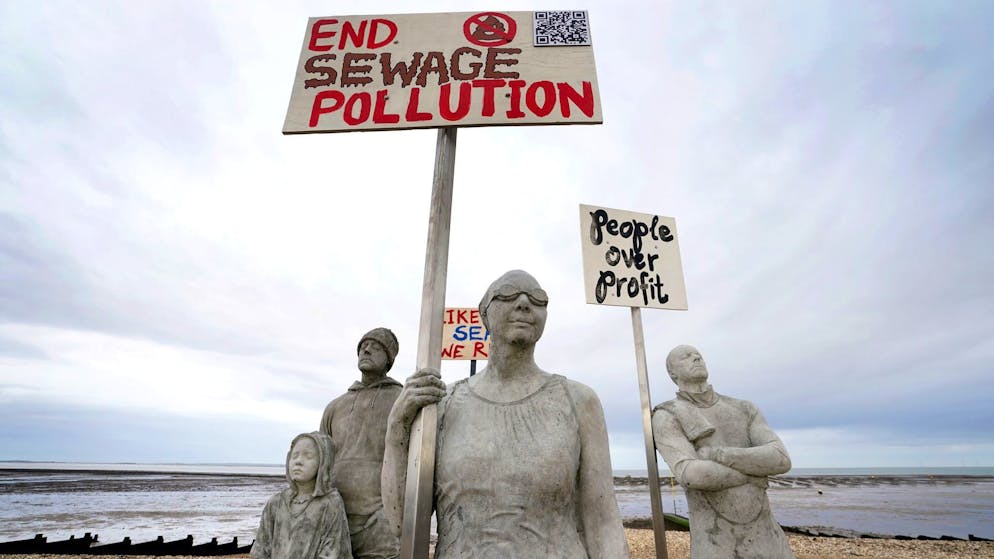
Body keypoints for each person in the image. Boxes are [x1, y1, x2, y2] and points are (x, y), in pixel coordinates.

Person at [382, 270, 630, 558]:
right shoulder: (445, 403)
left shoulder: (578, 399)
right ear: (485, 314)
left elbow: (602, 518)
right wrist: (397, 427)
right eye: (508, 294)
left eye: (538, 299)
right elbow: (402, 521)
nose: (524, 303)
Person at [652, 345, 795, 559]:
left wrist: (719, 454)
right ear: (672, 372)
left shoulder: (744, 408)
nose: (696, 358)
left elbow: (781, 459)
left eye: (698, 355)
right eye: (686, 356)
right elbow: (691, 474)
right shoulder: (667, 415)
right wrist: (753, 474)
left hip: (770, 540)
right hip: (716, 542)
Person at [320, 328, 402, 559]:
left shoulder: (401, 399)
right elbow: (321, 462)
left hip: (381, 518)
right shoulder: (336, 406)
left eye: (376, 347)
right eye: (363, 346)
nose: (366, 350)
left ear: (389, 359)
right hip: (337, 516)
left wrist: (396, 512)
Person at [252, 431, 352, 559]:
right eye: (294, 456)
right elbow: (262, 550)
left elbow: (333, 552)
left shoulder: (330, 503)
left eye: (308, 456)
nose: (298, 462)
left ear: (323, 463)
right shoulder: (276, 503)